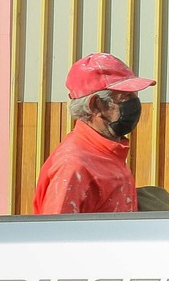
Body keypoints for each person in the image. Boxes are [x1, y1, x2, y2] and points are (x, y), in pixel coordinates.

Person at [31, 53, 152, 215]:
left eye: (134, 95)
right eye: (126, 96)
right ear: (96, 105)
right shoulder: (73, 166)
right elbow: (55, 236)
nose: (135, 102)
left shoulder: (107, 151)